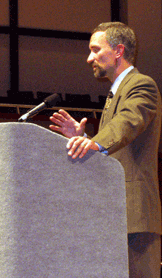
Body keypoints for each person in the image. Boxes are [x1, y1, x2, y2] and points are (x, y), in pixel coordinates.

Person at [49, 22, 161, 277]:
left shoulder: (142, 84)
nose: (89, 58)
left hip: (136, 217)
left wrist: (95, 143)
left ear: (118, 50)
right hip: (117, 215)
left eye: (95, 50)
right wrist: (85, 138)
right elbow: (118, 149)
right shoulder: (115, 93)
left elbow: (129, 122)